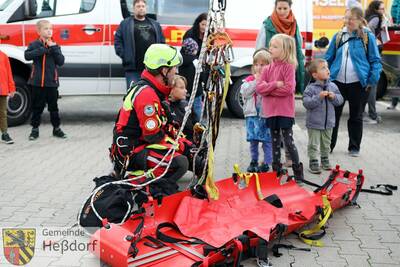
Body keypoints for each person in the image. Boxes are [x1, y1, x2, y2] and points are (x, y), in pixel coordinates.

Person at [111, 44, 190, 196]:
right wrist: (182, 147)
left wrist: (189, 147)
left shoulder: (155, 91)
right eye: (174, 68)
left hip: (139, 145)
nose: (176, 72)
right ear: (164, 70)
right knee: (180, 163)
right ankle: (137, 184)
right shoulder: (147, 94)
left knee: (189, 155)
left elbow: (166, 127)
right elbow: (153, 135)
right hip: (132, 151)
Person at [325, 7, 382, 156]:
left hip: (358, 83)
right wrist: (325, 77)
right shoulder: (338, 36)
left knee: (356, 117)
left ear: (360, 20)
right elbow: (328, 58)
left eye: (351, 18)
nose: (348, 21)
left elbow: (375, 61)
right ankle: (328, 146)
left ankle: (354, 147)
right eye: (346, 18)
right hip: (337, 83)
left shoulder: (367, 37)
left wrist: (372, 80)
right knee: (333, 116)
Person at [256, 34, 304, 182]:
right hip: (270, 112)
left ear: (285, 50)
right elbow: (259, 88)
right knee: (274, 141)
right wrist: (275, 85)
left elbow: (289, 89)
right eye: (270, 45)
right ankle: (276, 172)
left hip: (285, 112)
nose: (271, 48)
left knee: (288, 142)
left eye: (275, 46)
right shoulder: (266, 69)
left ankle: (298, 172)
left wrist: (268, 90)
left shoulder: (288, 67)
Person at [25, 20, 66, 140]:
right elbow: (27, 56)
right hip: (37, 83)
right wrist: (42, 50)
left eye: (51, 28)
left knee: (53, 108)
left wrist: (54, 48)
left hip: (51, 83)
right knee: (37, 107)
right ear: (39, 31)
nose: (49, 31)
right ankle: (34, 130)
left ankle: (56, 129)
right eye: (46, 29)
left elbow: (61, 61)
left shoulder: (55, 45)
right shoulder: (34, 44)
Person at [303, 59, 344, 174]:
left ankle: (325, 159)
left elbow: (340, 100)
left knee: (327, 143)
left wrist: (334, 97)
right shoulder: (310, 88)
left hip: (329, 122)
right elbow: (307, 103)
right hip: (314, 123)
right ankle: (313, 160)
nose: (327, 70)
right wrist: (318, 97)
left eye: (327, 67)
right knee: (313, 144)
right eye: (323, 68)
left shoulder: (333, 86)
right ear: (315, 74)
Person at [255, 0, 305, 94]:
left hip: (288, 64)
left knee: (287, 94)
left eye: (285, 8)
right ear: (275, 8)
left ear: (290, 8)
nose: (282, 11)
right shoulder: (267, 24)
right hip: (271, 66)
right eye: (279, 8)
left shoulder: (294, 23)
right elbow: (260, 47)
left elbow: (298, 47)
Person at [114, 0, 165, 89]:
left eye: (143, 6)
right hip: (133, 68)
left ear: (146, 8)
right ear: (133, 9)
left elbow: (162, 42)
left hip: (152, 68)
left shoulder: (155, 24)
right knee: (132, 93)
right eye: (138, 6)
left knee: (151, 93)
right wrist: (125, 56)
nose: (141, 8)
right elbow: (118, 41)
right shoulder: (125, 24)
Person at [241, 48, 272, 173]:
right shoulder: (249, 80)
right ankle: (253, 161)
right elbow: (245, 93)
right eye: (256, 64)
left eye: (263, 65)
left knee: (267, 141)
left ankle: (267, 163)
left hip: (265, 116)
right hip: (252, 115)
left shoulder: (271, 80)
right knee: (253, 140)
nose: (259, 67)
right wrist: (256, 81)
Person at [363, 0, 390, 124]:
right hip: (373, 55)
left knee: (367, 85)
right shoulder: (375, 19)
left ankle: (363, 113)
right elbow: (368, 31)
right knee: (373, 84)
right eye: (382, 9)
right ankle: (372, 114)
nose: (383, 11)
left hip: (367, 55)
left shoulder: (370, 17)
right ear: (376, 9)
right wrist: (375, 41)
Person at [180, 13, 208, 121]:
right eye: (203, 24)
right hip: (195, 89)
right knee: (196, 110)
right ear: (198, 23)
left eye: (207, 25)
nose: (204, 28)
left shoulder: (208, 35)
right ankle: (198, 126)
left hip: (190, 87)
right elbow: (201, 75)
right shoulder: (190, 34)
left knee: (190, 108)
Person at [169, 75, 198, 142]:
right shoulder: (166, 107)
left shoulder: (187, 105)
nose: (185, 90)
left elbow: (196, 122)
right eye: (182, 88)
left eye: (185, 88)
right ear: (171, 89)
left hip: (192, 143)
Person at [0, 50, 16, 144]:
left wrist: (12, 88)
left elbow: (9, 73)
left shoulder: (3, 56)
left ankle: (4, 134)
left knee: (3, 113)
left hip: (2, 89)